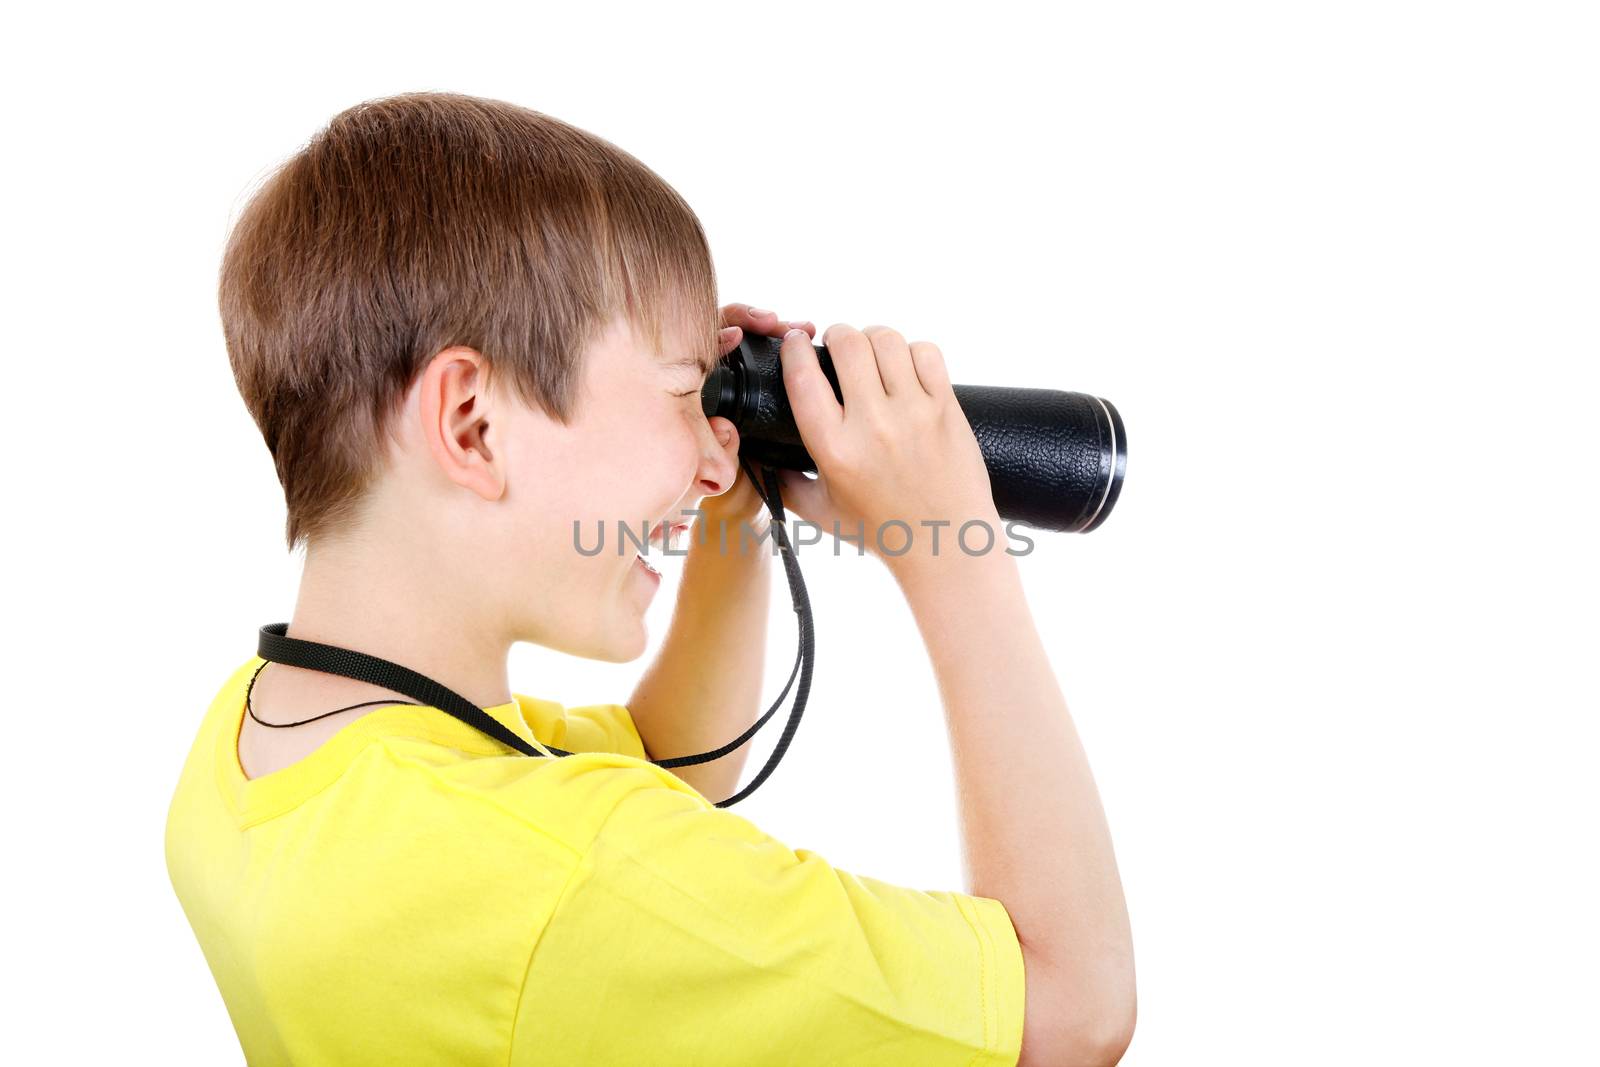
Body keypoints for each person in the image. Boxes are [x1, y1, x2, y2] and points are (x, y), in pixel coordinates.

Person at [165, 91, 1136, 1066]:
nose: (712, 458)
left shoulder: (258, 740)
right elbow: (1071, 1013)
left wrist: (734, 514)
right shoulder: (563, 876)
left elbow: (673, 766)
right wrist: (949, 549)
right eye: (682, 396)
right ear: (470, 423)